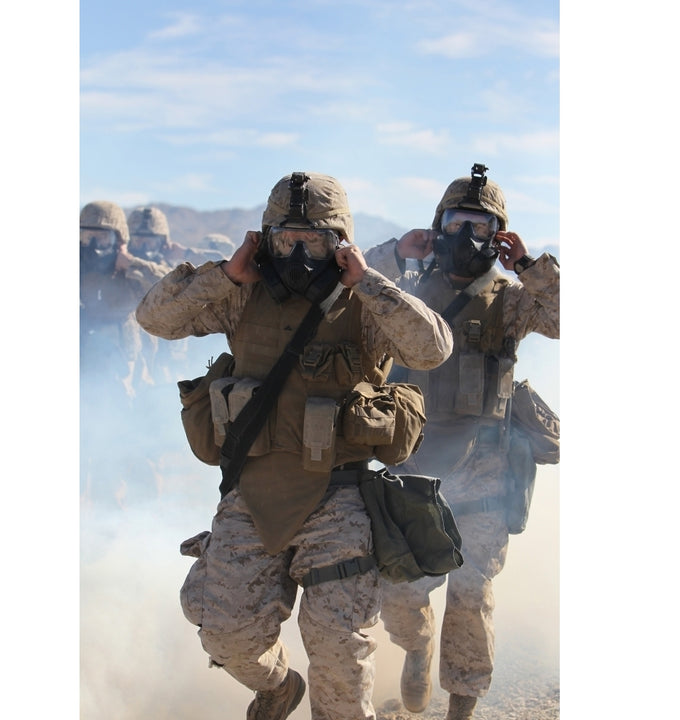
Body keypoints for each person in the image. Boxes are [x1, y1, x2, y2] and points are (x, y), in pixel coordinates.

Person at [135, 171, 453, 720]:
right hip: (253, 494)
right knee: (228, 637)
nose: (301, 253)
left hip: (341, 498)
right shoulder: (241, 296)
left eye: (317, 240)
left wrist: (369, 282)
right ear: (265, 238)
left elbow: (432, 350)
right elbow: (154, 318)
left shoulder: (365, 304)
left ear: (342, 243)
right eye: (288, 239)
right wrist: (225, 276)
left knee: (341, 660)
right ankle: (280, 686)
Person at [364, 164, 560, 720]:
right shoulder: (405, 289)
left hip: (483, 474)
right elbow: (342, 292)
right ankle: (418, 646)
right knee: (400, 597)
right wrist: (394, 253)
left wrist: (527, 267)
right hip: (411, 471)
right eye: (455, 222)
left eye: (480, 226)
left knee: (470, 595)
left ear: (498, 235)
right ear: (437, 225)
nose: (465, 236)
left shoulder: (510, 299)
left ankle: (461, 708)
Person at [80, 200, 167, 509]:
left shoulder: (131, 275)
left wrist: (132, 264)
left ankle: (116, 537)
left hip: (128, 389)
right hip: (83, 387)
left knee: (118, 466)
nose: (92, 246)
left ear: (118, 241)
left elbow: (172, 288)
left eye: (101, 239)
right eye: (86, 237)